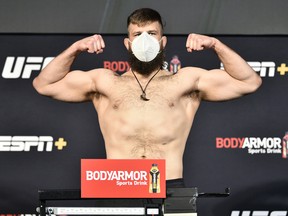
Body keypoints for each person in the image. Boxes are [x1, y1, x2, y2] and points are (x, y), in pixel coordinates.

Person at [33, 8, 262, 187]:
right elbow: (43, 84)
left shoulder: (185, 81)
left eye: (152, 34)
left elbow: (250, 82)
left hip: (169, 186)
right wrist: (75, 48)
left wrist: (215, 45)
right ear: (127, 43)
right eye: (137, 34)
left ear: (163, 42)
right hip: (116, 183)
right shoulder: (105, 82)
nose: (145, 40)